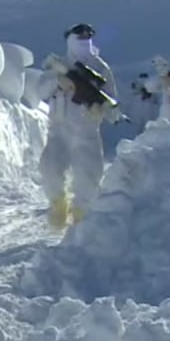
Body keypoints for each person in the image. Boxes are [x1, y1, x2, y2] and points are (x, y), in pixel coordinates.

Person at [35, 22, 121, 229]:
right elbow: (40, 91)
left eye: (87, 36)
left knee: (89, 175)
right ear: (69, 38)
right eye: (78, 35)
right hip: (59, 129)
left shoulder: (100, 68)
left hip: (86, 130)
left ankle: (81, 218)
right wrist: (58, 80)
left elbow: (111, 98)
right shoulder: (59, 64)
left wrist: (103, 109)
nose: (83, 39)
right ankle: (58, 204)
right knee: (50, 168)